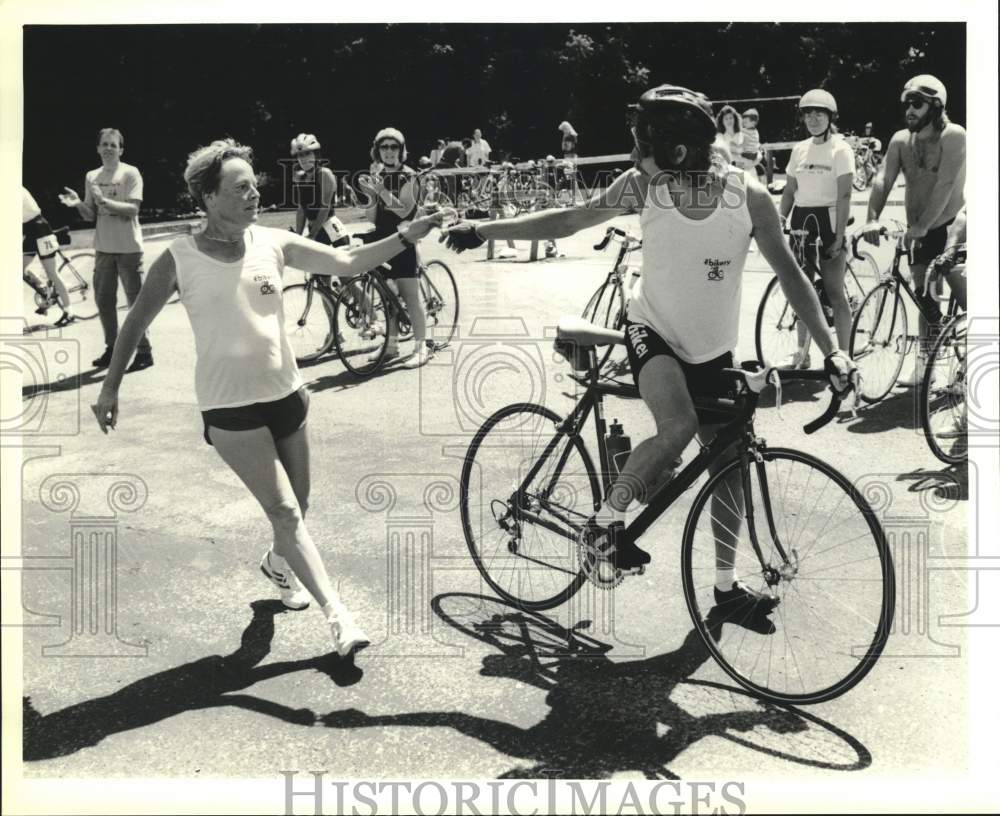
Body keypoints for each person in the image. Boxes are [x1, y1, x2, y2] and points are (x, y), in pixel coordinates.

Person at [443, 84, 855, 616]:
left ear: (677, 153)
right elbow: (569, 220)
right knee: (678, 425)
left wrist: (833, 351)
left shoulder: (746, 195)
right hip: (650, 330)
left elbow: (794, 277)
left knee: (727, 465)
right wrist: (482, 228)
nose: (633, 155)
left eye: (641, 145)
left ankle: (726, 587)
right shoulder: (643, 185)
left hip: (711, 349)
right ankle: (602, 525)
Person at [90, 138, 445, 658]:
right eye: (240, 188)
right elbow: (134, 322)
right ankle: (338, 616)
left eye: (254, 184)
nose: (254, 194)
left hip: (287, 394)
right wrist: (111, 384)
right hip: (229, 406)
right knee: (284, 512)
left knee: (299, 506)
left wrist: (403, 236)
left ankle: (279, 566)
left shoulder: (272, 243)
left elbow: (345, 262)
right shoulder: (178, 259)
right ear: (208, 198)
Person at [863, 74, 966, 386]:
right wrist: (871, 218)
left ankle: (973, 363)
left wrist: (922, 226)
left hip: (951, 228)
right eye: (906, 103)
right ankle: (926, 363)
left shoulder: (954, 136)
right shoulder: (899, 141)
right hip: (919, 231)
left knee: (966, 296)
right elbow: (882, 179)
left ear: (935, 106)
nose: (909, 109)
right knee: (925, 297)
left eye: (917, 103)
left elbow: (946, 186)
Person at [60, 128, 152, 371]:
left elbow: (133, 209)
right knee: (104, 302)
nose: (109, 148)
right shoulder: (92, 176)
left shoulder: (130, 173)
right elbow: (92, 214)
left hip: (129, 248)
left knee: (135, 302)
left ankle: (144, 351)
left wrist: (104, 201)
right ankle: (112, 349)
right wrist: (79, 203)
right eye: (105, 144)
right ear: (98, 148)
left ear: (121, 149)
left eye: (114, 144)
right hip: (103, 248)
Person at [777, 88, 856, 366]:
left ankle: (845, 354)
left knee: (834, 292)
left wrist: (840, 235)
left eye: (818, 113)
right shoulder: (799, 149)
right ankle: (802, 351)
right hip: (801, 220)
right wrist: (780, 220)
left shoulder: (840, 149)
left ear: (829, 117)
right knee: (801, 288)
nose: (812, 119)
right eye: (807, 113)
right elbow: (789, 190)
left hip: (829, 221)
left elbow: (844, 195)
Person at [357, 127, 433, 369]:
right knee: (387, 295)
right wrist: (369, 193)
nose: (389, 151)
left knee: (410, 295)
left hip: (403, 239)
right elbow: (371, 217)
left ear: (401, 150)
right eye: (384, 147)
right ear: (377, 150)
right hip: (382, 238)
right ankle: (391, 344)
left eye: (394, 147)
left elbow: (405, 210)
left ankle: (422, 347)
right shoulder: (378, 175)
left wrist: (380, 190)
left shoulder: (410, 176)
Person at [22, 187, 75, 327]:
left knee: (52, 272)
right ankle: (44, 289)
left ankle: (69, 312)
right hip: (29, 231)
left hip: (40, 228)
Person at [289, 133, 350, 249]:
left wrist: (312, 235)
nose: (303, 158)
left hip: (331, 229)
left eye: (307, 153)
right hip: (314, 229)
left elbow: (324, 208)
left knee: (344, 263)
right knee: (310, 265)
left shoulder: (324, 174)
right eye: (300, 155)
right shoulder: (300, 178)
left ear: (316, 155)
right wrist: (298, 236)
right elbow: (301, 209)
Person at [715, 105, 746, 171]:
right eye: (726, 118)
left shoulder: (743, 134)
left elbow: (756, 151)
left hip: (746, 167)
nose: (729, 120)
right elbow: (720, 156)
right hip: (728, 169)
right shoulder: (720, 136)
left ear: (735, 119)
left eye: (731, 118)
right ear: (722, 121)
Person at [740, 109, 764, 177]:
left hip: (748, 154)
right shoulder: (755, 131)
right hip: (753, 155)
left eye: (745, 122)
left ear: (753, 123)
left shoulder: (748, 131)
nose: (743, 124)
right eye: (743, 122)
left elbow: (740, 131)